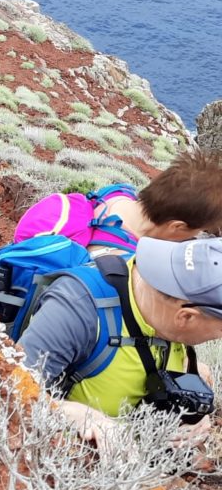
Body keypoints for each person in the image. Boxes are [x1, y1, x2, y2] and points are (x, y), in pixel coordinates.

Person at [18, 235, 222, 447]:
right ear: (186, 317)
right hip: (67, 464)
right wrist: (68, 413)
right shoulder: (75, 310)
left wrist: (192, 412)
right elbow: (8, 396)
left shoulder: (169, 296)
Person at [88, 150, 222, 253]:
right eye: (199, 230)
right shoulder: (125, 263)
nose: (198, 235)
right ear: (177, 226)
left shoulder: (117, 191)